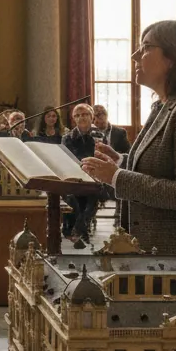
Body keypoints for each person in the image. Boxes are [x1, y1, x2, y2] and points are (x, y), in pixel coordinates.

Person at [81, 19, 176, 255]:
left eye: (146, 47)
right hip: (159, 251)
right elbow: (162, 167)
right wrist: (121, 162)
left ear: (175, 57)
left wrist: (117, 177)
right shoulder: (165, 105)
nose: (135, 55)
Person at [62, 104, 100, 250]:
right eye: (77, 115)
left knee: (93, 196)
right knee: (72, 197)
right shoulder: (68, 138)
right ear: (74, 120)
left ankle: (78, 230)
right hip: (75, 176)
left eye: (84, 114)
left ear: (92, 117)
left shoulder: (99, 136)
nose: (81, 117)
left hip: (96, 176)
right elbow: (69, 159)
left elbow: (103, 156)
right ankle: (80, 231)